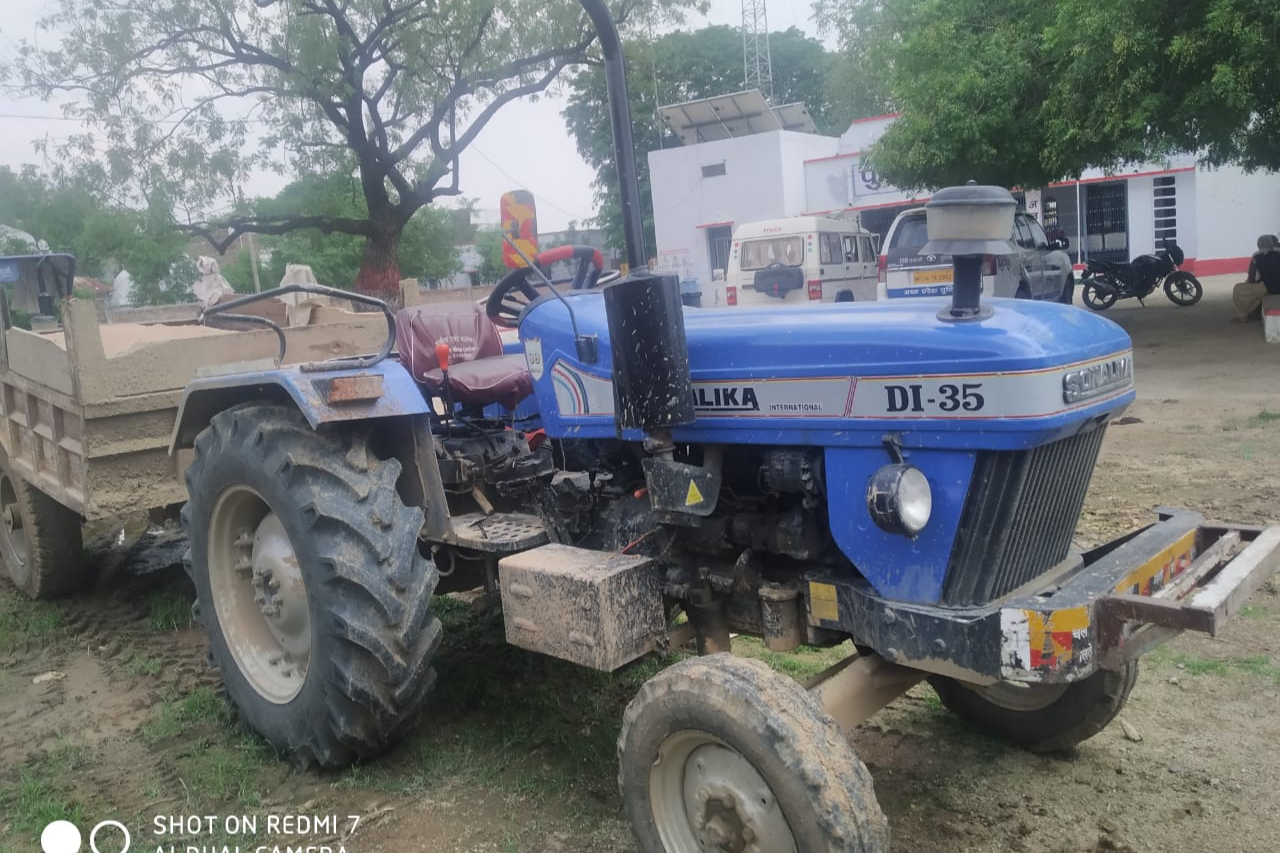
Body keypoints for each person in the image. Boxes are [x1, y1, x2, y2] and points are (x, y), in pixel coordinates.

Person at [1231, 235, 1280, 322]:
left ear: (1259, 245)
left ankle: (1242, 316)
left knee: (1239, 289)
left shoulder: (1256, 256)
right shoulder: (1278, 252)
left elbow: (1252, 279)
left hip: (1268, 287)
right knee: (1257, 289)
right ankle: (1256, 311)